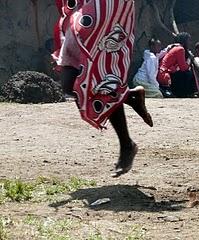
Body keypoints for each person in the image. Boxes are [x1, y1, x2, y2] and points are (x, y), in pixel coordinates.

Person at [53, 0, 153, 177]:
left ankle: (126, 144)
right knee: (69, 83)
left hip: (105, 11)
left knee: (102, 82)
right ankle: (129, 97)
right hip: (81, 10)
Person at [157, 32, 198, 98]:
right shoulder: (180, 49)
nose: (190, 42)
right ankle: (184, 93)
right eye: (189, 40)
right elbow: (183, 68)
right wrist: (189, 59)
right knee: (188, 73)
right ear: (184, 40)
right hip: (164, 76)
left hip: (164, 73)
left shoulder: (176, 47)